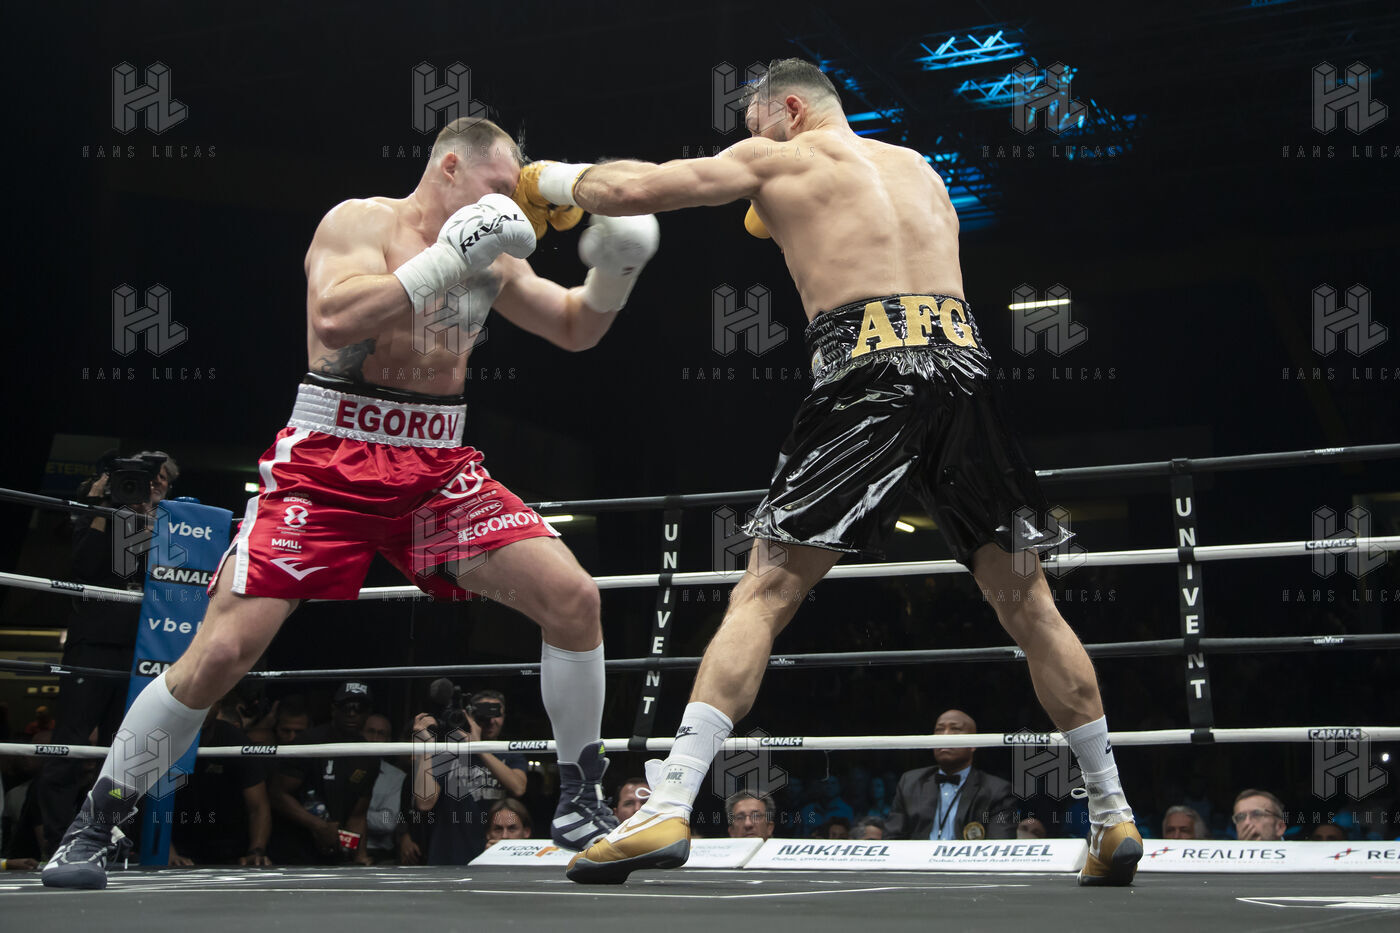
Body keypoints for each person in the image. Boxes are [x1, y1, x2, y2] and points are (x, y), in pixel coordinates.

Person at [537, 57, 1140, 886]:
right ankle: (1112, 813)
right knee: (1030, 603)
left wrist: (547, 179)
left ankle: (668, 803)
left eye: (753, 121)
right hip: (964, 370)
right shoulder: (921, 168)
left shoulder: (779, 157)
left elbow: (635, 190)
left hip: (867, 370)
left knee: (765, 590)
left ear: (789, 107)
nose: (748, 137)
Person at [43, 116, 661, 890]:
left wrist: (617, 272)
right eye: (501, 186)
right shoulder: (360, 222)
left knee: (573, 597)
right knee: (224, 652)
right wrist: (449, 257)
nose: (515, 204)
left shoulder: (499, 255)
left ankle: (580, 800)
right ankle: (94, 822)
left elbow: (573, 327)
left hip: (435, 463)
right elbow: (335, 317)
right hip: (332, 454)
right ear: (449, 167)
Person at [33, 454, 177, 856]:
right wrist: (103, 507)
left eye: (161, 478)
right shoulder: (98, 513)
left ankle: (107, 840)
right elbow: (85, 567)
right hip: (93, 643)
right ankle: (58, 841)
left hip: (142, 650)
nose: (153, 483)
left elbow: (153, 573)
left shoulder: (170, 523)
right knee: (71, 744)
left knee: (125, 750)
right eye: (146, 477)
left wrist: (147, 519)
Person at [409, 690, 528, 865]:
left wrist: (478, 746)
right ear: (469, 715)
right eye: (483, 713)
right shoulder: (448, 751)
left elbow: (518, 787)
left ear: (504, 717)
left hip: (493, 852)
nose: (490, 720)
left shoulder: (508, 753)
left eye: (495, 713)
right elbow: (424, 803)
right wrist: (425, 748)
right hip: (450, 853)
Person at [268, 682, 378, 865]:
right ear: (334, 709)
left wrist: (360, 856)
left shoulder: (369, 756)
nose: (352, 713)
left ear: (368, 713)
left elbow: (357, 815)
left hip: (334, 850)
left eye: (359, 708)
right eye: (346, 707)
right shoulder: (309, 742)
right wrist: (318, 825)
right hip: (293, 848)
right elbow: (277, 794)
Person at [168, 687, 272, 866]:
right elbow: (147, 803)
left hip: (228, 847)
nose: (201, 709)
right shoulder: (164, 738)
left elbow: (258, 806)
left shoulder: (234, 740)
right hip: (179, 843)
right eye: (196, 702)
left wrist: (256, 851)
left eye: (208, 702)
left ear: (219, 705)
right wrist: (167, 852)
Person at [886, 710, 1018, 841]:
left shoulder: (997, 791)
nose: (945, 736)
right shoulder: (910, 783)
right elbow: (892, 838)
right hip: (917, 855)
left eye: (955, 729)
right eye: (939, 730)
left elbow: (1000, 844)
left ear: (974, 744)